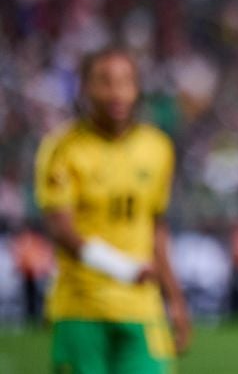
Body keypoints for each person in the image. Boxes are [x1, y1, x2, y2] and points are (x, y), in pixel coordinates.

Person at [34, 46, 191, 373]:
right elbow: (62, 230)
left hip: (141, 307)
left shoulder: (157, 148)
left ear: (137, 87)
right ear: (85, 87)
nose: (116, 92)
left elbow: (156, 228)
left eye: (125, 82)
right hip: (81, 308)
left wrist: (175, 299)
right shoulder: (62, 148)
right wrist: (124, 268)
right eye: (104, 81)